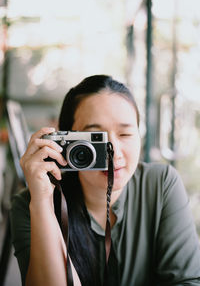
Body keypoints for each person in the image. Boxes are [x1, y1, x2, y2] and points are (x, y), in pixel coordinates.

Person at [10, 75, 200, 286]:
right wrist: (43, 203)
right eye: (95, 137)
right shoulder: (30, 205)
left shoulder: (161, 184)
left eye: (125, 134)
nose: (114, 152)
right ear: (67, 143)